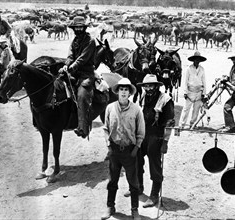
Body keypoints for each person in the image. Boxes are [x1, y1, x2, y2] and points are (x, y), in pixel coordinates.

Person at [101, 78, 145, 220]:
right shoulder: (110, 108)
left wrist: (136, 148)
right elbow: (106, 128)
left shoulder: (137, 110)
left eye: (126, 90)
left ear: (130, 93)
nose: (124, 92)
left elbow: (141, 132)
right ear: (117, 92)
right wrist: (108, 146)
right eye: (121, 89)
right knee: (112, 180)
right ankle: (110, 206)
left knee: (133, 182)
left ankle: (134, 209)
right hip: (114, 150)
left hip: (130, 151)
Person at [134, 74, 175, 208]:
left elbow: (169, 122)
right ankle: (138, 187)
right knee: (137, 159)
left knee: (155, 165)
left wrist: (165, 142)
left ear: (157, 86)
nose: (148, 88)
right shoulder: (144, 96)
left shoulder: (166, 99)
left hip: (156, 135)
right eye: (146, 86)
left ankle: (154, 195)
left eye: (151, 85)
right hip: (143, 134)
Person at [58, 16, 96, 138]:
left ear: (84, 28)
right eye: (76, 27)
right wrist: (65, 66)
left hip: (86, 74)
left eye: (81, 27)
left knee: (81, 95)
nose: (78, 29)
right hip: (74, 73)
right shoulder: (74, 41)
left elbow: (82, 59)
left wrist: (70, 68)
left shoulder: (90, 41)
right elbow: (70, 56)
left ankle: (83, 128)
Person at [178, 51, 207, 129]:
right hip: (190, 91)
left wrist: (204, 93)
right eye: (195, 60)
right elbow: (185, 81)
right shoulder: (189, 69)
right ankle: (182, 125)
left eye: (198, 60)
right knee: (186, 108)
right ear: (193, 60)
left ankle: (192, 124)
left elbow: (204, 81)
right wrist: (185, 92)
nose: (197, 61)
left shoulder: (202, 69)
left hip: (199, 91)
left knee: (196, 109)